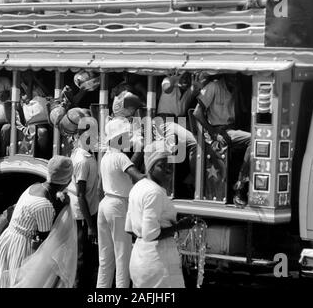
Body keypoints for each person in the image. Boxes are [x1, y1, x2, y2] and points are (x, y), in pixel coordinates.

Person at [0, 155, 74, 288]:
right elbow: (44, 240)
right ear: (67, 181)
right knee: (16, 282)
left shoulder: (34, 187)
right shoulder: (44, 204)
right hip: (21, 246)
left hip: (8, 240)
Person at [125, 140, 196, 288]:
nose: (168, 170)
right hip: (158, 262)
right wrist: (179, 227)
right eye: (162, 166)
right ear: (150, 167)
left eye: (170, 166)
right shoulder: (154, 192)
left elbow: (130, 229)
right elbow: (151, 234)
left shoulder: (138, 187)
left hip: (139, 256)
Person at [96, 118, 145, 288]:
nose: (128, 139)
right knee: (123, 257)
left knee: (105, 259)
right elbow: (137, 175)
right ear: (118, 138)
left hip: (105, 204)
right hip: (117, 205)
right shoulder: (120, 157)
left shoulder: (106, 157)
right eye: (125, 136)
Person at [193, 74, 251, 206]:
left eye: (237, 77)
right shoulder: (213, 86)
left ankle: (240, 187)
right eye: (233, 76)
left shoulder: (235, 89)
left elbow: (244, 110)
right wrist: (213, 132)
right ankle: (240, 185)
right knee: (253, 140)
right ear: (225, 75)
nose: (235, 79)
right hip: (220, 131)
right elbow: (197, 113)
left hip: (231, 130)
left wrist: (238, 93)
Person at [67, 118, 100, 288]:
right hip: (82, 214)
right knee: (81, 258)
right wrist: (90, 225)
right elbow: (80, 195)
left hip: (88, 211)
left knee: (87, 257)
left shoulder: (87, 153)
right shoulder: (81, 159)